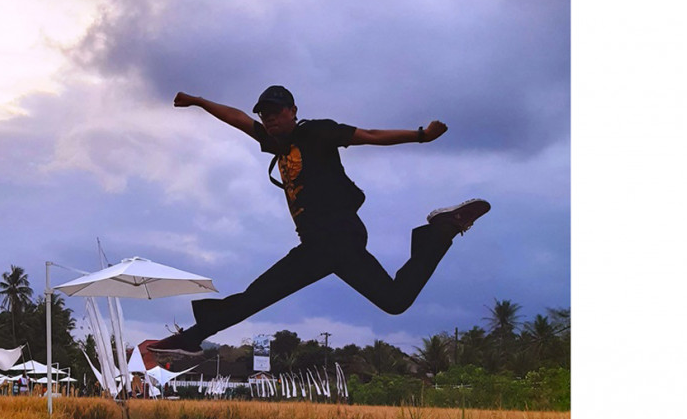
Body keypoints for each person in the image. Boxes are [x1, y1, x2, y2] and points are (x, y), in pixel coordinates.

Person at [146, 85, 490, 359]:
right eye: (265, 115)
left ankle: (192, 337)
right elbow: (237, 117)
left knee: (260, 294)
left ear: (293, 111)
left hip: (334, 234)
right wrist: (198, 101)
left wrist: (420, 135)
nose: (270, 119)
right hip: (325, 244)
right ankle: (441, 230)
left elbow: (369, 135)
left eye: (276, 112)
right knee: (395, 301)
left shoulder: (317, 133)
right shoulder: (273, 142)